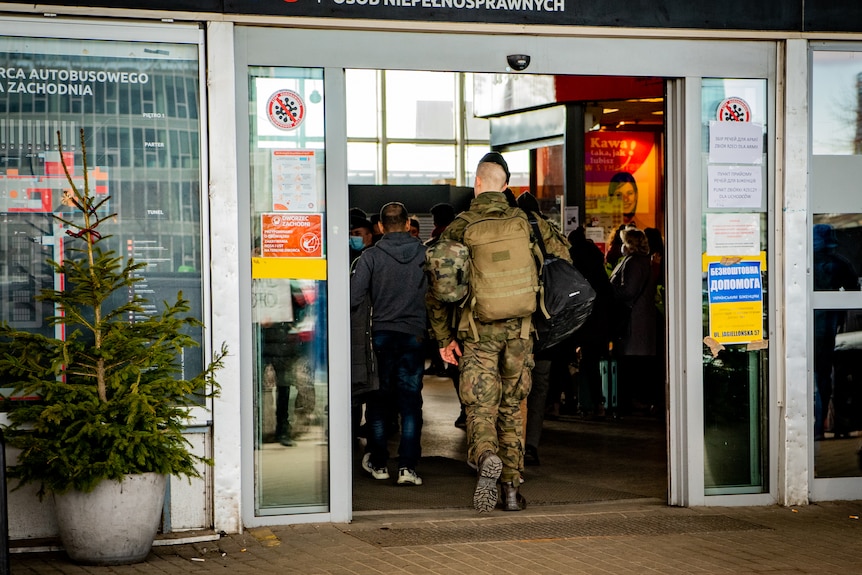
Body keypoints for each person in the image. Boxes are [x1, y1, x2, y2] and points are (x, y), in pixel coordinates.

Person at [427, 152, 570, 512]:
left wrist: (444, 340)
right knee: (510, 408)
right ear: (506, 186)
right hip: (521, 334)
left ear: (477, 183)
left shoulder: (459, 227)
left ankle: (486, 454)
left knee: (480, 408)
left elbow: (438, 291)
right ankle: (510, 490)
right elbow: (564, 262)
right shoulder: (529, 222)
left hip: (477, 334)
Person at [351, 202, 428, 486]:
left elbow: (353, 298)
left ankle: (379, 463)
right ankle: (408, 467)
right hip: (414, 337)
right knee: (410, 402)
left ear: (380, 227)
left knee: (378, 401)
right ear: (408, 224)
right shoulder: (424, 254)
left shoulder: (370, 258)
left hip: (380, 336)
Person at [516, 191, 572, 466]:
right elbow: (566, 266)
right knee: (539, 386)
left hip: (518, 320)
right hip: (546, 321)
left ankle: (513, 444)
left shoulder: (511, 229)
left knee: (514, 386)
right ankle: (532, 445)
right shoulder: (551, 231)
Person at [812, 223, 860, 438]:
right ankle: (819, 428)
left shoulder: (803, 262)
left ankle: (817, 429)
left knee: (811, 378)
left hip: (809, 331)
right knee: (822, 377)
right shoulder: (840, 264)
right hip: (826, 331)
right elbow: (853, 292)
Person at [609, 227, 657, 414]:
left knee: (632, 364)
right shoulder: (642, 262)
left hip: (634, 321)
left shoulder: (634, 263)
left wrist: (610, 290)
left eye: (624, 242)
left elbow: (629, 291)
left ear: (630, 244)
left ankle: (633, 402)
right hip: (639, 320)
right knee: (637, 364)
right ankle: (636, 400)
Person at [568, 226, 614, 418]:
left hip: (580, 318)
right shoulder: (597, 265)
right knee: (592, 362)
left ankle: (575, 402)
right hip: (598, 321)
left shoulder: (575, 263)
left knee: (570, 361)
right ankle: (598, 404)